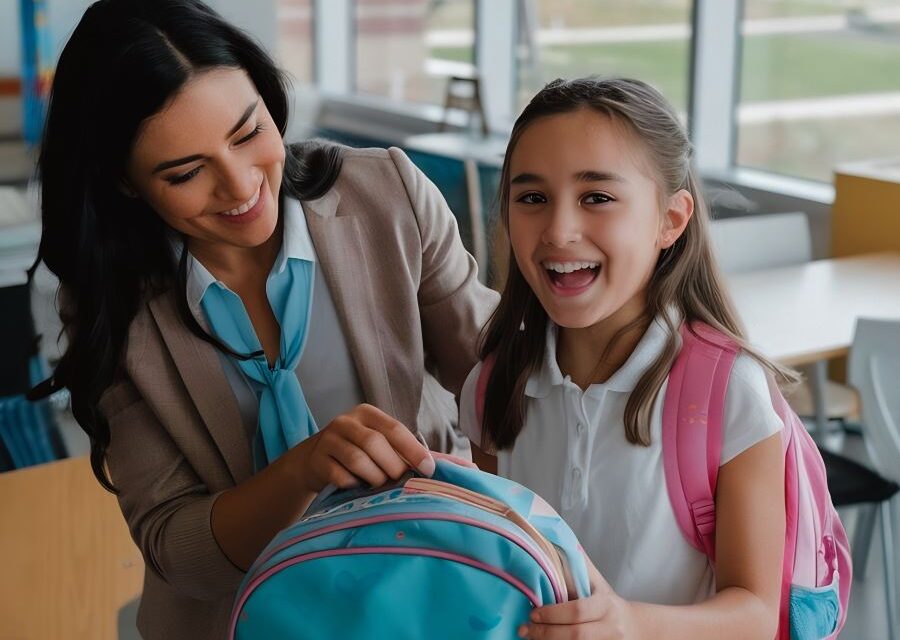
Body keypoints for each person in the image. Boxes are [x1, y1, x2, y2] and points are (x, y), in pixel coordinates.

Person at [31, 0, 497, 637]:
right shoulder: (109, 299)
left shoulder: (387, 194)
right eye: (187, 172)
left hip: (431, 596)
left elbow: (502, 379)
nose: (241, 186)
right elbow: (176, 549)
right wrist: (302, 470)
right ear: (125, 183)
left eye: (248, 133)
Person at [459, 77, 793, 639]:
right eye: (532, 198)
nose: (559, 231)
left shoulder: (731, 390)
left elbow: (757, 616)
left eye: (598, 198)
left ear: (671, 220)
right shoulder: (493, 385)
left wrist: (631, 625)